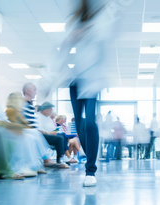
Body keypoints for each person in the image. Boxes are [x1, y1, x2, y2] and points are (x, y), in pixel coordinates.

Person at [57, 0, 118, 186]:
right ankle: (88, 162)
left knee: (90, 122)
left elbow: (107, 34)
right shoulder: (74, 23)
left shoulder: (101, 21)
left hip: (92, 82)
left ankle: (91, 170)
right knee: (80, 124)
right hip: (76, 81)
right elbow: (62, 50)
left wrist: (89, 31)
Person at [0, 75, 51, 176]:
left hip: (2, 125)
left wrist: (11, 125)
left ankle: (34, 166)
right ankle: (19, 167)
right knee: (25, 137)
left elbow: (3, 117)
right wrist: (9, 126)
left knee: (34, 133)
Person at [21, 82, 68, 168]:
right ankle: (49, 160)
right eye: (34, 90)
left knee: (61, 136)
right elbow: (30, 124)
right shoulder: (23, 104)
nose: (36, 92)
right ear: (27, 91)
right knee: (60, 137)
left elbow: (55, 129)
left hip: (38, 132)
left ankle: (59, 159)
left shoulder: (32, 106)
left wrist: (53, 131)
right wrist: (47, 132)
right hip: (34, 133)